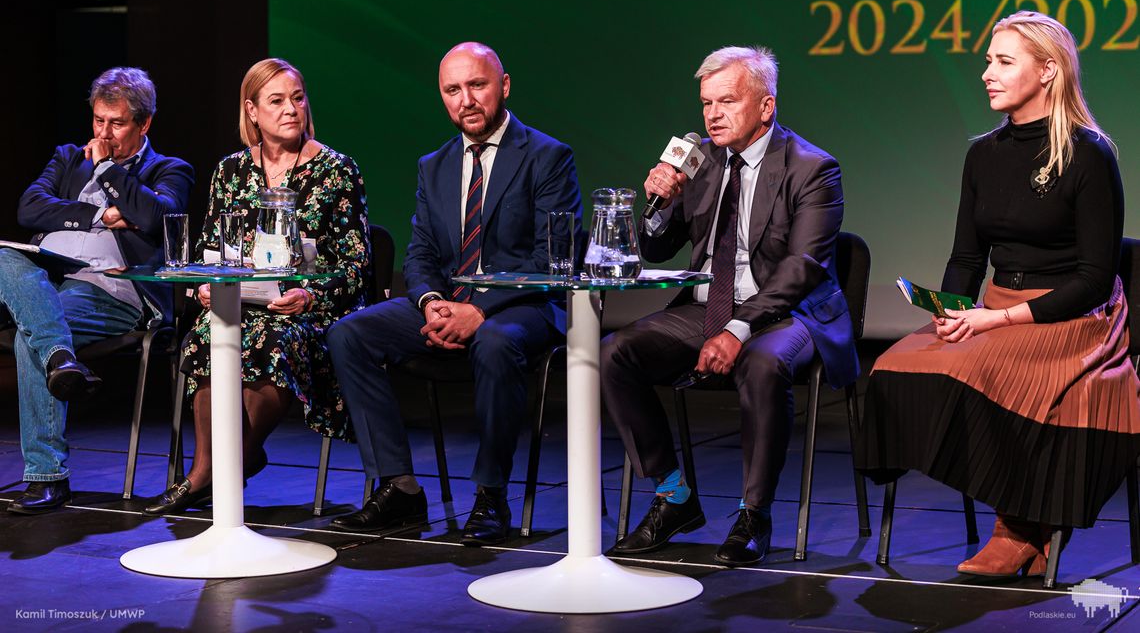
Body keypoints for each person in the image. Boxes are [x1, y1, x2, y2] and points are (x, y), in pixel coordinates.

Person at [856, 11, 1140, 578]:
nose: (987, 72)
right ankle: (1026, 525)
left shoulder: (1089, 154)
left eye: (1004, 61)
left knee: (985, 373)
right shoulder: (983, 154)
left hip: (1073, 319)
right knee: (897, 367)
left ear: (1049, 71)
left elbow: (1091, 280)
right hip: (995, 309)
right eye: (988, 60)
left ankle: (1015, 528)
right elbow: (967, 257)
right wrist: (952, 312)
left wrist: (993, 324)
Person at [601, 46, 858, 566]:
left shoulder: (812, 169)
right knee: (615, 353)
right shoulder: (700, 162)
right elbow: (652, 251)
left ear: (765, 107)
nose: (712, 115)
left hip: (790, 312)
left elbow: (801, 269)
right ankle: (673, 497)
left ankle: (753, 513)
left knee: (763, 364)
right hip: (707, 308)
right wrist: (661, 205)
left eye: (727, 101)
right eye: (705, 103)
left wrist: (739, 329)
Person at [326, 42, 584, 544]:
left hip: (525, 308)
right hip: (448, 303)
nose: (466, 99)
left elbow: (552, 262)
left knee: (493, 341)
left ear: (503, 86)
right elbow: (421, 253)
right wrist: (430, 302)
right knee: (349, 334)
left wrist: (477, 311)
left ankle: (491, 495)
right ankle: (399, 487)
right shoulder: (434, 165)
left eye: (477, 85)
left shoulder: (548, 157)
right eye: (452, 90)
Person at [144, 58, 370, 515]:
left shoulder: (336, 171)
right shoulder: (230, 172)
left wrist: (310, 295)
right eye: (277, 101)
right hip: (240, 305)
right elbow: (209, 249)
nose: (291, 109)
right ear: (251, 110)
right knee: (204, 339)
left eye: (298, 98)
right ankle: (213, 468)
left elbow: (356, 265)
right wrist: (206, 288)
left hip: (308, 312)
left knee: (270, 341)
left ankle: (222, 468)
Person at [2, 67, 193, 513]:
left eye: (117, 123)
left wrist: (108, 170)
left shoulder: (169, 169)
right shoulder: (68, 157)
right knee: (5, 258)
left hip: (113, 287)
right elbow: (30, 208)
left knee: (35, 334)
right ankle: (60, 357)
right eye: (98, 121)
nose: (103, 133)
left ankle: (48, 476)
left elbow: (154, 216)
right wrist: (98, 216)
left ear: (144, 124)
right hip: (48, 277)